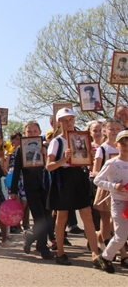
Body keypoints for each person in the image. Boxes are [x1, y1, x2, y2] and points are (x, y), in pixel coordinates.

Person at [46, 107, 100, 266]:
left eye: (71, 119)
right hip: (63, 177)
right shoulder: (57, 142)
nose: (68, 123)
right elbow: (49, 166)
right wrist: (65, 159)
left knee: (87, 214)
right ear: (59, 123)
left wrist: (90, 158)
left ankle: (95, 253)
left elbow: (88, 164)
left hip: (79, 177)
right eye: (64, 120)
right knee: (62, 216)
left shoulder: (81, 138)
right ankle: (61, 252)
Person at [10, 121, 54, 260]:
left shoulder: (46, 146)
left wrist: (46, 155)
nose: (32, 134)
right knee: (39, 217)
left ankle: (30, 237)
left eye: (35, 131)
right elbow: (16, 171)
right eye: (29, 132)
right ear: (25, 133)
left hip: (46, 186)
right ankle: (42, 247)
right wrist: (13, 191)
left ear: (40, 132)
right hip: (30, 187)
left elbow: (52, 166)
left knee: (47, 218)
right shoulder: (20, 149)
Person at [93, 130, 128, 273]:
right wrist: (113, 186)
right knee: (121, 236)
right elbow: (97, 180)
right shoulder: (112, 162)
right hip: (119, 202)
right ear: (116, 145)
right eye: (123, 144)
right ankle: (105, 258)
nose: (126, 147)